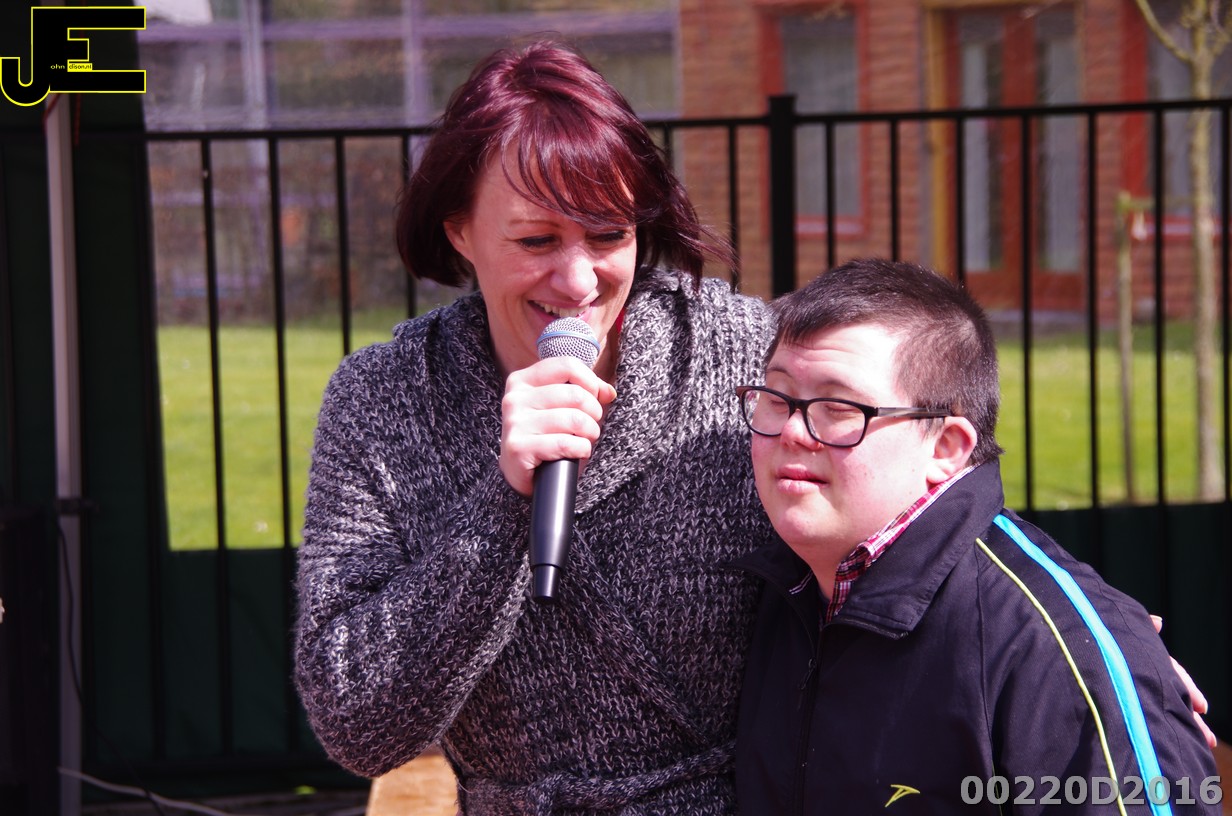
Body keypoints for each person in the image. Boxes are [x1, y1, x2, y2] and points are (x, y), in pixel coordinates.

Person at [293, 40, 778, 814]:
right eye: (536, 240)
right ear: (460, 232)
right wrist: (500, 506)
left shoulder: (745, 357)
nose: (579, 281)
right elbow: (356, 726)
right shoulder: (384, 401)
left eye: (609, 234)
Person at [733, 258, 1219, 814]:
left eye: (839, 407)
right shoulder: (776, 592)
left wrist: (1104, 657)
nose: (793, 431)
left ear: (945, 447)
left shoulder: (1056, 654)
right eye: (777, 398)